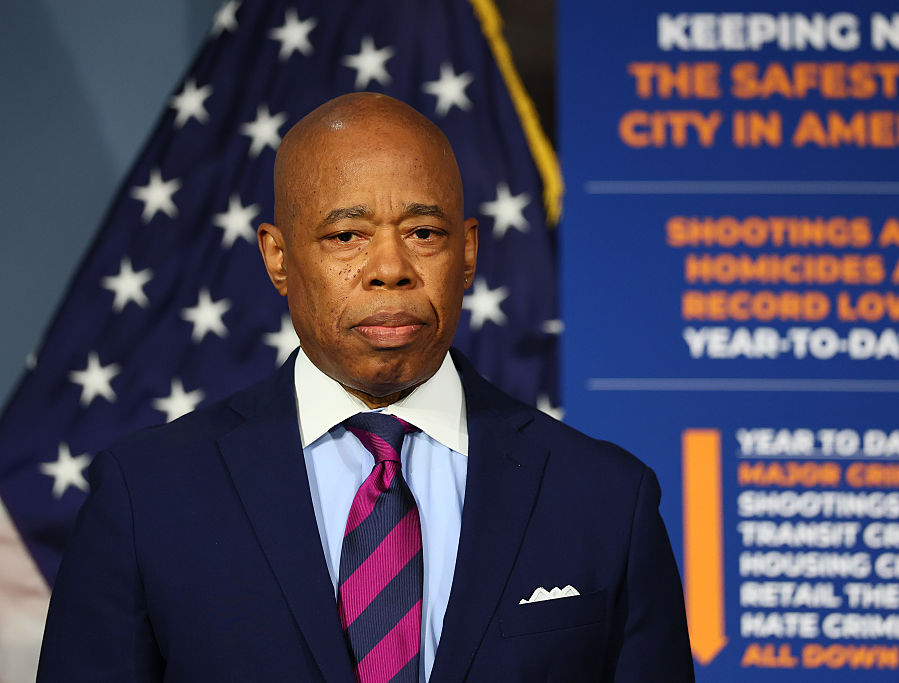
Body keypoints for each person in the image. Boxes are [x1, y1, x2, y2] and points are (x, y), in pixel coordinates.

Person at [37, 93, 694, 682]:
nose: (389, 269)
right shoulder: (146, 496)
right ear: (278, 256)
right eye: (347, 235)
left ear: (467, 252)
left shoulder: (606, 498)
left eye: (424, 233)